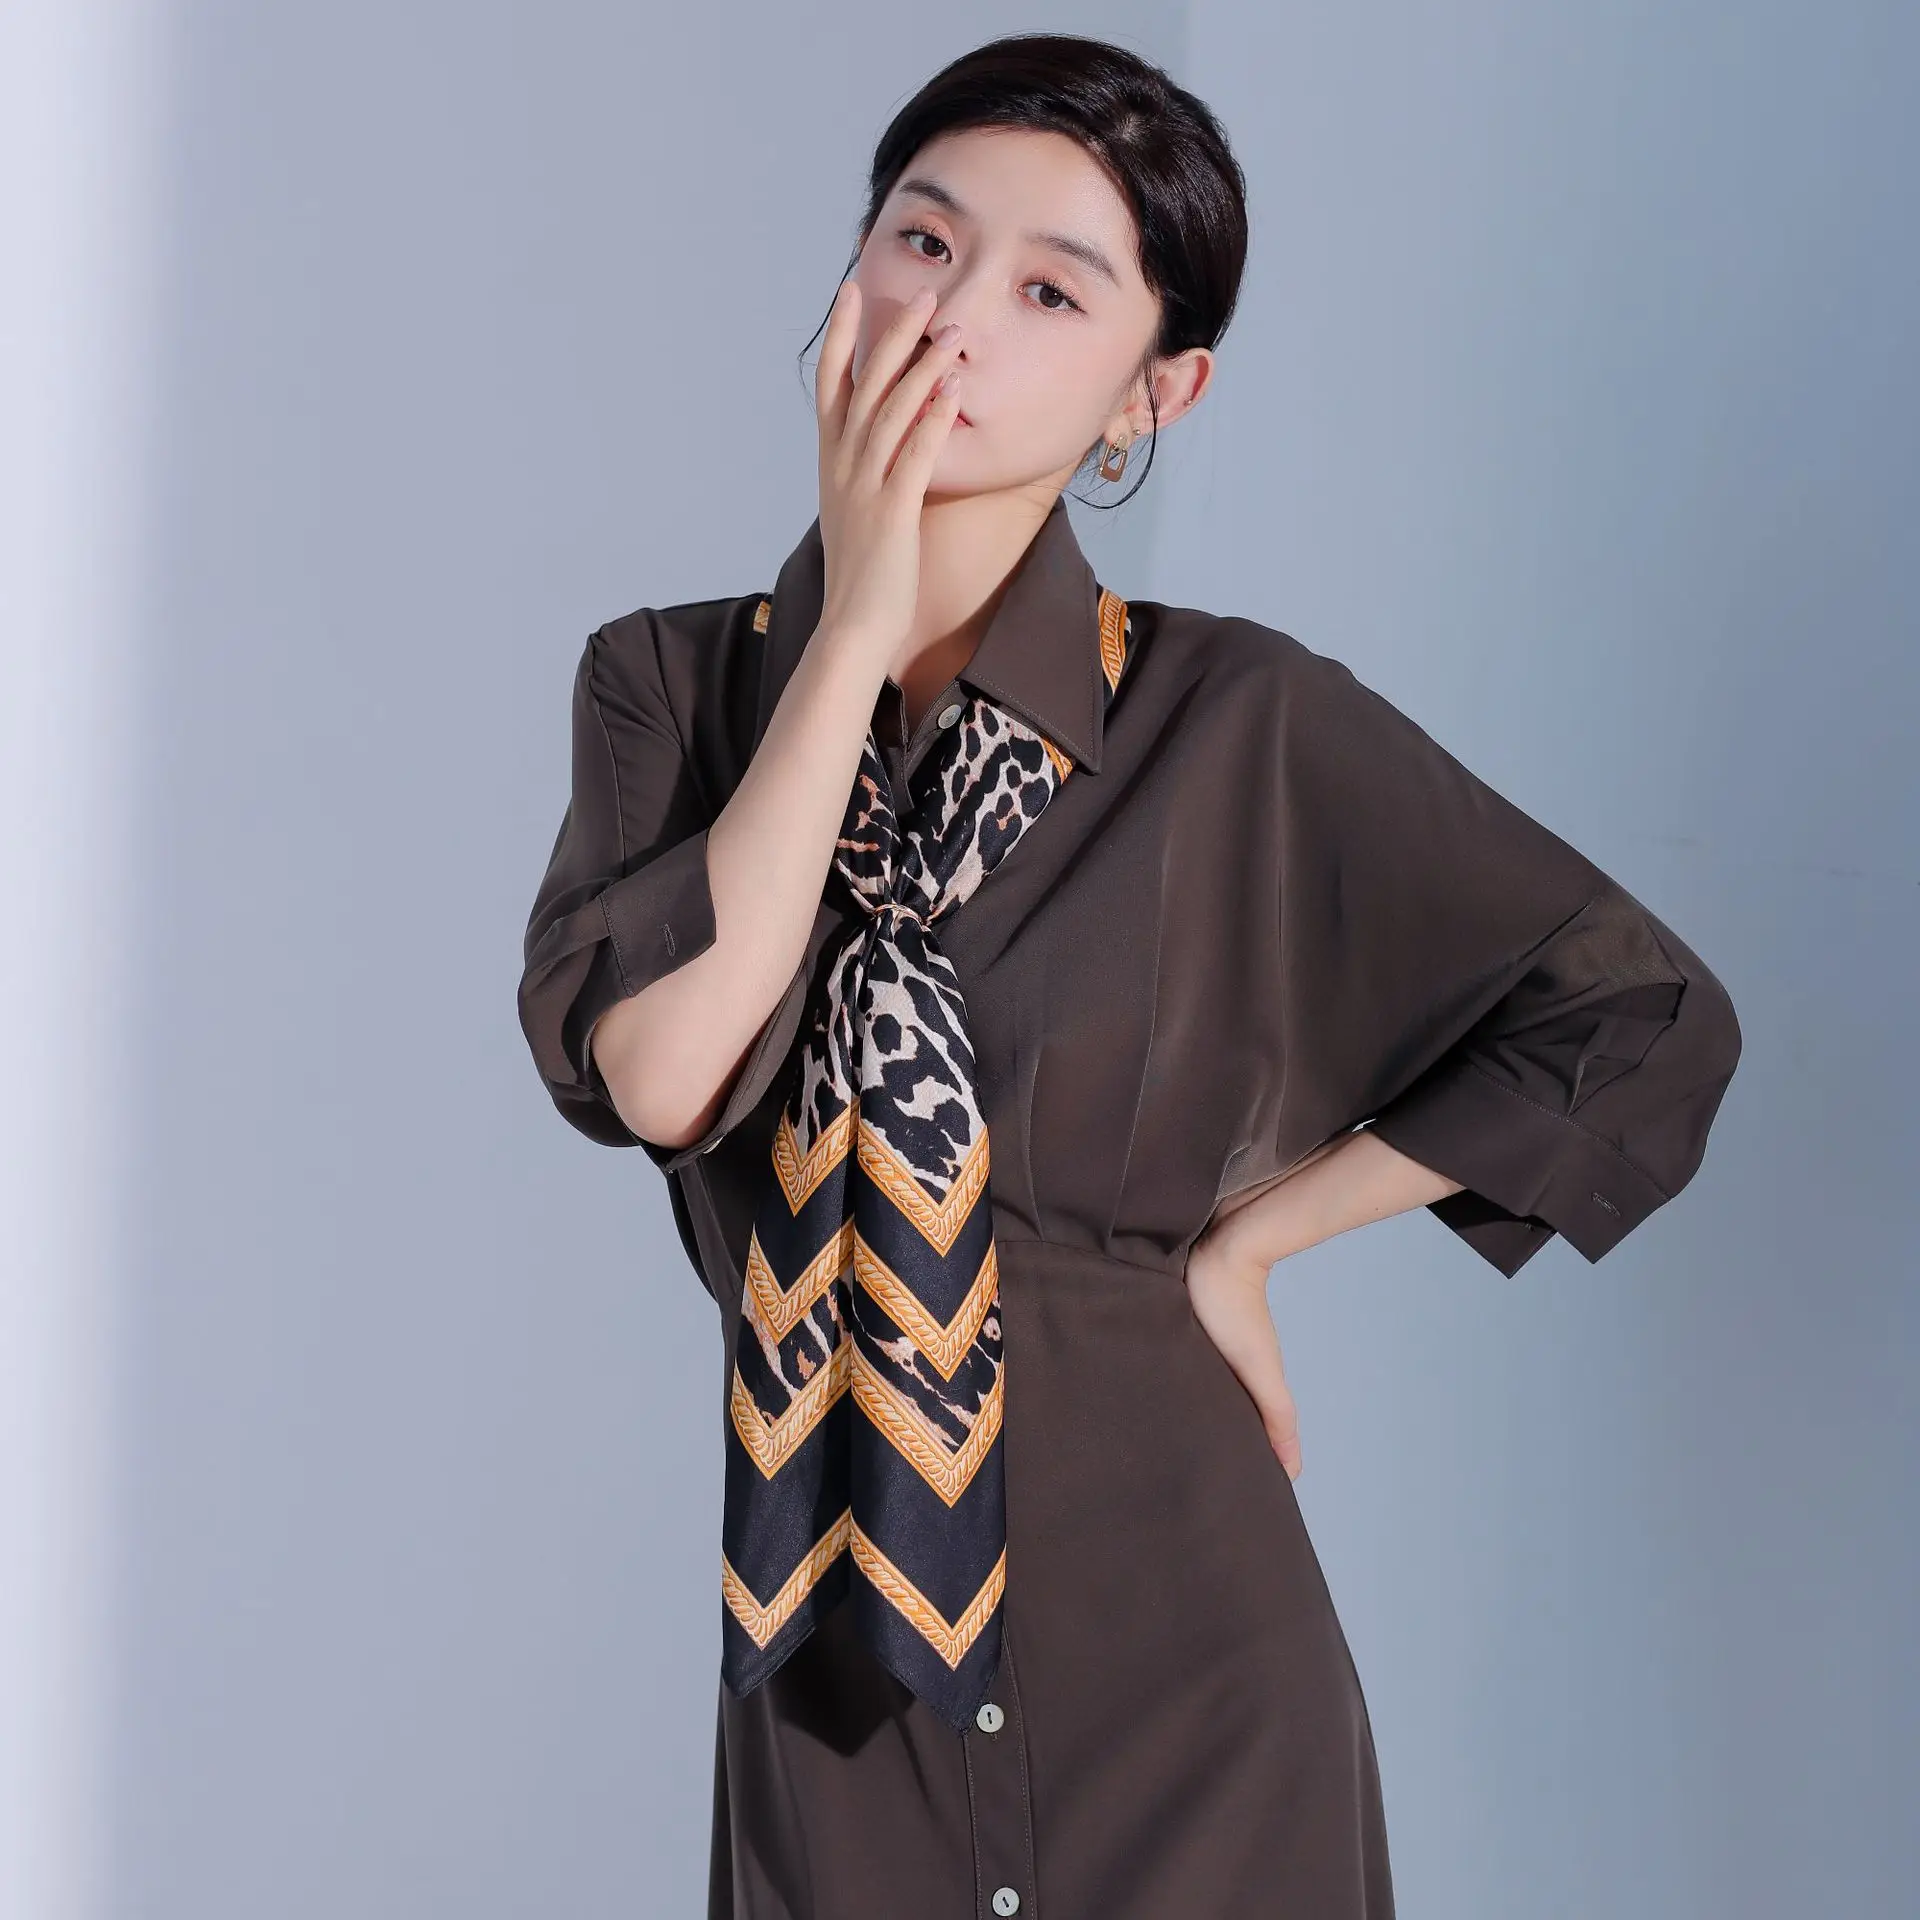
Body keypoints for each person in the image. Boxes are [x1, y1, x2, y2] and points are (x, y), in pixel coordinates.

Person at [516, 32, 1742, 1920]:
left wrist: (1251, 1245)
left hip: (1196, 1687)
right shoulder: (671, 690)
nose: (953, 321)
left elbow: (1638, 1016)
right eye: (923, 241)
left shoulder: (1234, 718)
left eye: (1051, 291)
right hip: (835, 1701)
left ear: (1154, 389)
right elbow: (669, 1076)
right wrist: (852, 631)